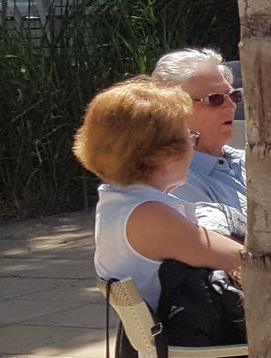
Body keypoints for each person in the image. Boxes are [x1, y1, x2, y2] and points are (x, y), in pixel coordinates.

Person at [76, 78, 245, 314]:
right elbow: (250, 264)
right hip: (205, 344)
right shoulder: (149, 216)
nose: (192, 145)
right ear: (163, 151)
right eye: (190, 136)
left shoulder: (118, 199)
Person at [149, 48, 246, 231]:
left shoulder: (250, 160)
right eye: (215, 99)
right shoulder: (175, 181)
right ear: (174, 109)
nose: (231, 105)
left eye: (234, 95)